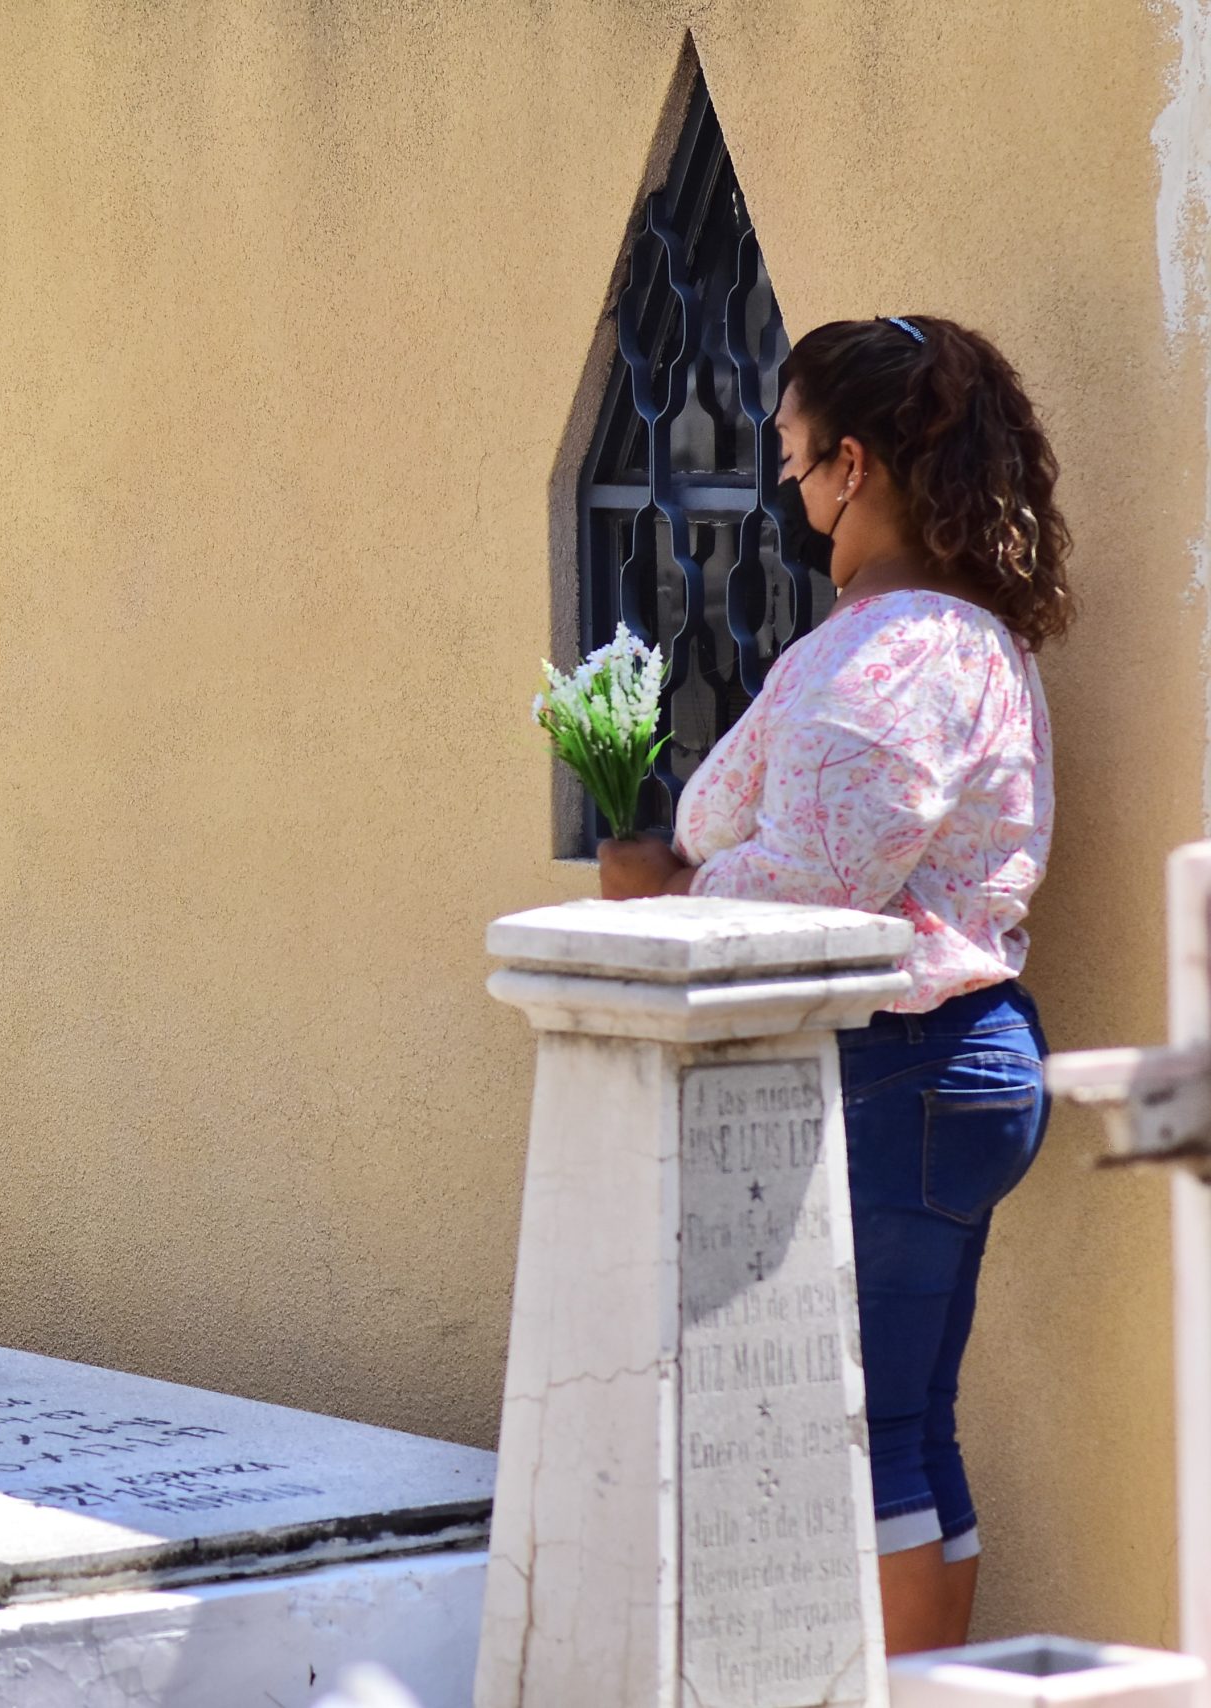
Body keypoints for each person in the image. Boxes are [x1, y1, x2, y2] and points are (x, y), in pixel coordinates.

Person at [599, 314, 1073, 1652]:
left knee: (861, 1439)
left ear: (854, 463)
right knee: (908, 1429)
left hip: (899, 1064)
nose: (788, 482)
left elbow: (819, 874)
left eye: (796, 452)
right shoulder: (947, 635)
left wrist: (668, 891)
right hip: (938, 1065)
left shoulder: (902, 647)